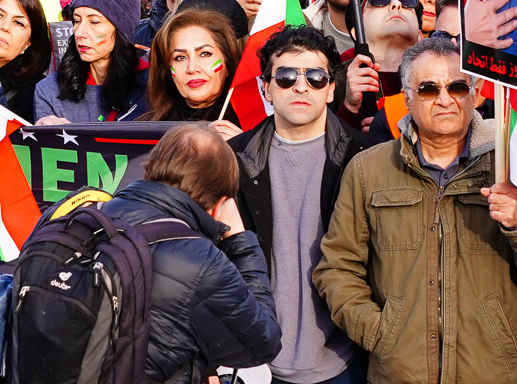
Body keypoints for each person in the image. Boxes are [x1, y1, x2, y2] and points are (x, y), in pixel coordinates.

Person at [314, 37, 517, 384]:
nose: (444, 99)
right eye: (428, 88)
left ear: (475, 93)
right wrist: (379, 334)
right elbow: (337, 267)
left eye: (457, 86)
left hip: (493, 372)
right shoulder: (368, 169)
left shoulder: (510, 167)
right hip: (399, 373)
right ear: (407, 97)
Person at [86, 123, 283, 382]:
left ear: (151, 168)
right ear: (220, 202)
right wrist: (238, 238)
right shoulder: (200, 261)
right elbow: (264, 340)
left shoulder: (83, 213)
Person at [228, 26, 367, 384]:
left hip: (348, 360)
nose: (301, 87)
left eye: (315, 77)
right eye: (287, 77)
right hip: (256, 362)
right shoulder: (232, 160)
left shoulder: (366, 157)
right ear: (266, 88)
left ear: (332, 88)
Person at [35, 0, 148, 122]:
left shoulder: (154, 87)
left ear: (123, 29)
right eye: (76, 20)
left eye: (94, 22)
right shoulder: (49, 90)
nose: (79, 32)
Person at [146, 7, 243, 136]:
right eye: (180, 57)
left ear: (227, 63)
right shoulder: (146, 130)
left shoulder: (256, 130)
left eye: (205, 54)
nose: (192, 68)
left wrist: (242, 145)